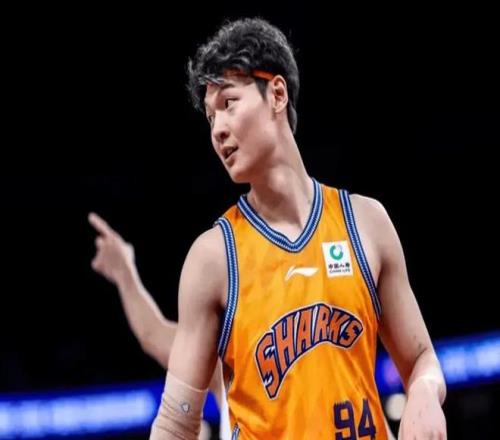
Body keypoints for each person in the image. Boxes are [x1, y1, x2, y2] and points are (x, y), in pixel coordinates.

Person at [149, 17, 446, 439]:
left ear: (277, 93)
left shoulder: (366, 223)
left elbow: (421, 361)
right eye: (210, 117)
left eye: (229, 103)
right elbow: (175, 422)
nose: (218, 129)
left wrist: (424, 392)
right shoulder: (214, 257)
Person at [88, 213, 230, 440]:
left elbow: (152, 334)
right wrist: (124, 273)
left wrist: (124, 273)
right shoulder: (229, 364)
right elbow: (152, 334)